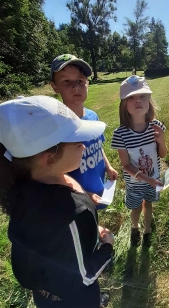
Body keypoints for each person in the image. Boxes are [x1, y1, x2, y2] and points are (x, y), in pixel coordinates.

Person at [0, 96, 114, 308]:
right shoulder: (73, 212)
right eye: (77, 141)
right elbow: (84, 276)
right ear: (48, 158)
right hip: (73, 296)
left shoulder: (21, 187)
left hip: (46, 293)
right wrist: (107, 247)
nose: (84, 145)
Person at [50, 54, 118, 209]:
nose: (75, 86)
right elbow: (54, 173)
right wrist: (85, 194)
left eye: (80, 81)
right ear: (54, 86)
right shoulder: (56, 127)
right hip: (74, 198)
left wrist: (108, 167)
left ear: (87, 83)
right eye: (66, 81)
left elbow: (98, 146)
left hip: (98, 190)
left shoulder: (93, 116)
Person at [111, 76, 167, 247]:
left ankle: (148, 229)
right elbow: (126, 165)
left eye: (142, 96)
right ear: (124, 105)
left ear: (149, 100)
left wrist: (162, 140)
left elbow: (163, 155)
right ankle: (135, 227)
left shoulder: (156, 126)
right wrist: (147, 179)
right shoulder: (120, 134)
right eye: (131, 98)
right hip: (135, 183)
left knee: (148, 204)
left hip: (154, 178)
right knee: (135, 208)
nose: (138, 101)